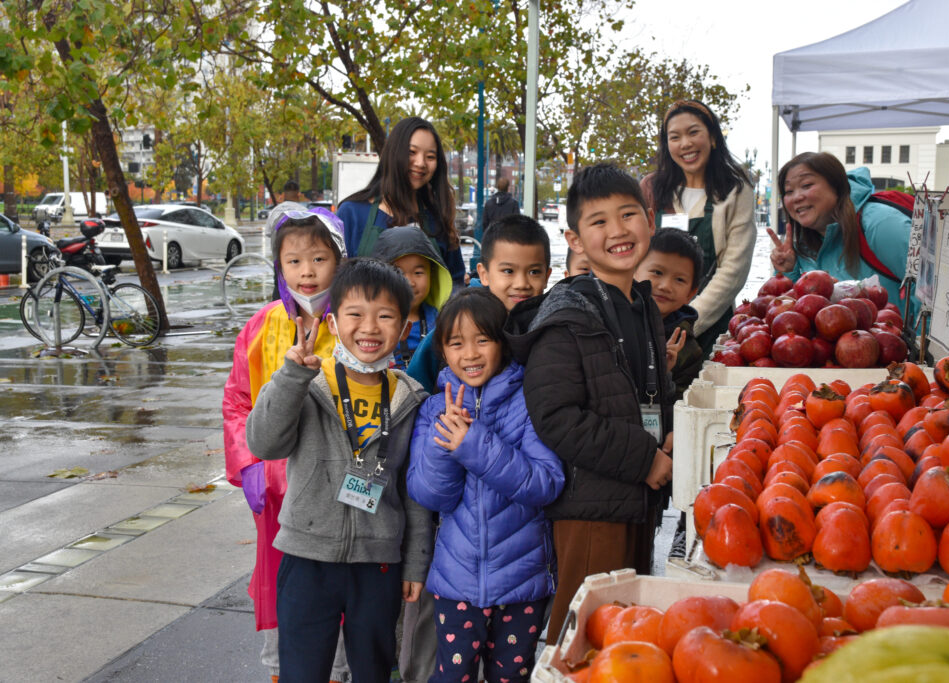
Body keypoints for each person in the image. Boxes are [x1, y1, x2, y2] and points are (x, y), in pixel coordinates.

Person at [504, 163, 675, 644]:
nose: (618, 231)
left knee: (622, 636)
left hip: (636, 498)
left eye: (628, 215)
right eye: (599, 222)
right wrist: (645, 459)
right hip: (590, 508)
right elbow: (557, 419)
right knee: (583, 638)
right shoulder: (568, 315)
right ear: (575, 238)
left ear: (650, 221)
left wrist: (668, 429)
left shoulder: (641, 304)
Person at [246, 258, 434, 683]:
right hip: (307, 557)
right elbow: (263, 442)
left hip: (379, 564)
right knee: (303, 671)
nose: (369, 328)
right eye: (355, 314)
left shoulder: (410, 399)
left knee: (372, 671)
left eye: (385, 316)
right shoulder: (310, 386)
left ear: (404, 328)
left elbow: (414, 491)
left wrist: (415, 563)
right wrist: (292, 374)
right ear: (332, 321)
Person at [407, 288, 564, 682]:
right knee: (450, 675)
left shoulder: (530, 399)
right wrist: (448, 443)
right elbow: (430, 494)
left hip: (523, 583)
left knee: (511, 675)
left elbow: (546, 483)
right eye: (457, 343)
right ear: (442, 351)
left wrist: (473, 443)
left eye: (483, 340)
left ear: (504, 343)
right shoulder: (431, 409)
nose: (471, 354)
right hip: (455, 582)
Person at [222, 208, 350, 683]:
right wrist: (248, 463)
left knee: (337, 594)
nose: (308, 272)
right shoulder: (260, 327)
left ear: (340, 260)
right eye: (293, 261)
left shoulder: (353, 323)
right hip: (278, 497)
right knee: (281, 590)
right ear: (279, 266)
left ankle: (338, 672)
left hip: (339, 494)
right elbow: (237, 400)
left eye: (319, 258)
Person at [639, 99, 755, 357]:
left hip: (710, 326)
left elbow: (733, 271)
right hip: (649, 327)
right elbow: (635, 255)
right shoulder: (651, 188)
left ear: (713, 137)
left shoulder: (735, 191)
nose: (685, 144)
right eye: (675, 137)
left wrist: (687, 325)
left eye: (693, 132)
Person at [768, 152, 921, 325]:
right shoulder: (805, 242)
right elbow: (803, 311)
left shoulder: (881, 224)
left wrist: (922, 348)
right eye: (789, 191)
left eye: (806, 185)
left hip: (897, 345)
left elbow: (932, 292)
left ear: (837, 186)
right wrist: (788, 270)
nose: (797, 197)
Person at [406, 214, 551, 393]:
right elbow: (414, 390)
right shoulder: (457, 320)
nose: (521, 284)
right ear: (483, 274)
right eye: (508, 271)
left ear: (547, 276)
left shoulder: (550, 327)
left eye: (534, 272)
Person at [337, 117, 465, 285]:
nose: (420, 163)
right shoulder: (351, 213)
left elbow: (455, 283)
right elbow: (332, 281)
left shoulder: (438, 220)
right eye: (412, 152)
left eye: (430, 156)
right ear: (393, 153)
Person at [370, 225, 453, 371]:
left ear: (432, 275)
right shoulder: (369, 325)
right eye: (399, 273)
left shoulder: (443, 322)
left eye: (418, 272)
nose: (410, 282)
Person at [636, 228, 705, 399]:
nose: (666, 286)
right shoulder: (610, 323)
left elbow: (679, 407)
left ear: (690, 293)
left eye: (679, 279)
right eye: (657, 272)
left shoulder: (689, 351)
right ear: (633, 270)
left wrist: (662, 373)